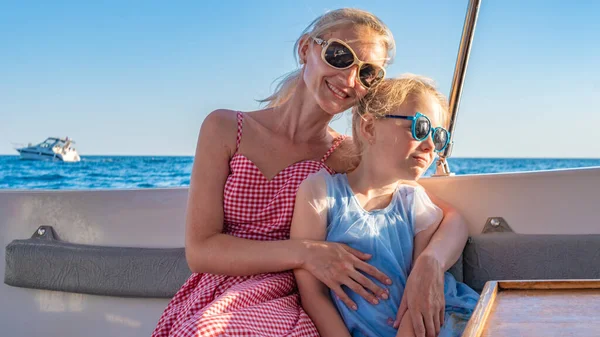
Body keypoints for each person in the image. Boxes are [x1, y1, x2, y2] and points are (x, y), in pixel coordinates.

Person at [152, 8, 468, 337]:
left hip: (295, 298)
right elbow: (201, 251)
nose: (349, 80)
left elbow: (450, 218)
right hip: (223, 291)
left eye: (367, 73)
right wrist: (306, 252)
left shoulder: (348, 155)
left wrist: (428, 264)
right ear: (306, 49)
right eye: (338, 55)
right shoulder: (225, 128)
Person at [291, 75, 479, 337]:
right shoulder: (320, 192)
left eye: (438, 137)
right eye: (421, 128)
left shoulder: (414, 201)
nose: (429, 146)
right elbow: (313, 294)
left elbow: (420, 295)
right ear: (369, 128)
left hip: (440, 322)